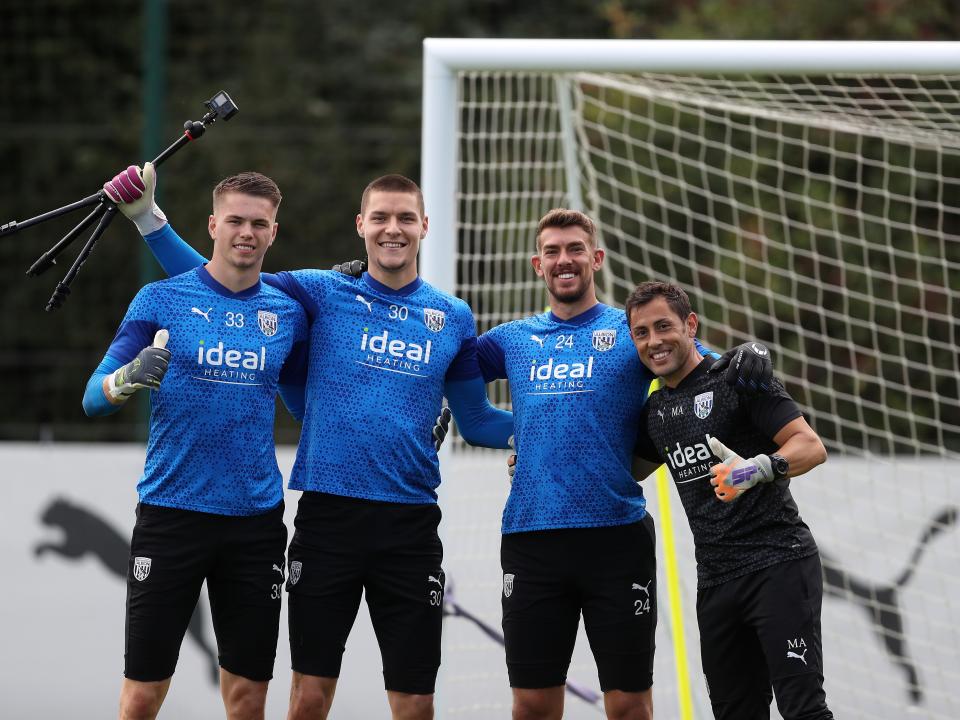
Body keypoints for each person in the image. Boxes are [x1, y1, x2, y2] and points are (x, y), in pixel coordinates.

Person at [105, 163, 514, 720]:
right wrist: (151, 223)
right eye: (380, 218)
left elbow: (480, 422)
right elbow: (221, 280)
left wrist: (559, 426)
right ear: (360, 225)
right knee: (308, 699)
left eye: (405, 218)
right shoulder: (320, 293)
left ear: (424, 227)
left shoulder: (453, 316)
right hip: (326, 522)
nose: (392, 228)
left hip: (412, 525)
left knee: (417, 704)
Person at [409, 208, 770, 720]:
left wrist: (746, 353)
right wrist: (435, 409)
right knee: (532, 705)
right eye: (553, 251)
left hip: (616, 540)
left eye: (575, 248)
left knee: (627, 706)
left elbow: (701, 367)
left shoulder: (633, 333)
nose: (564, 260)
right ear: (538, 264)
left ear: (595, 258)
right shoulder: (511, 339)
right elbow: (441, 362)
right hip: (532, 540)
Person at [83, 170, 309, 720]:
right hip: (171, 516)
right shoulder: (161, 298)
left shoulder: (287, 315)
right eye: (235, 220)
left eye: (259, 223)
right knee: (142, 695)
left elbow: (312, 412)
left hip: (254, 524)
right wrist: (126, 378)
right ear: (213, 224)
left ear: (274, 232)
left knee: (247, 696)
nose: (246, 233)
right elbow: (93, 397)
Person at [626, 280, 833, 720]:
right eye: (641, 333)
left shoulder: (740, 377)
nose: (654, 341)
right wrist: (533, 465)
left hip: (777, 564)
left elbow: (810, 446)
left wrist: (755, 470)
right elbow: (621, 476)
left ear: (690, 324)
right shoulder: (656, 413)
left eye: (664, 326)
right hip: (716, 582)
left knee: (805, 711)